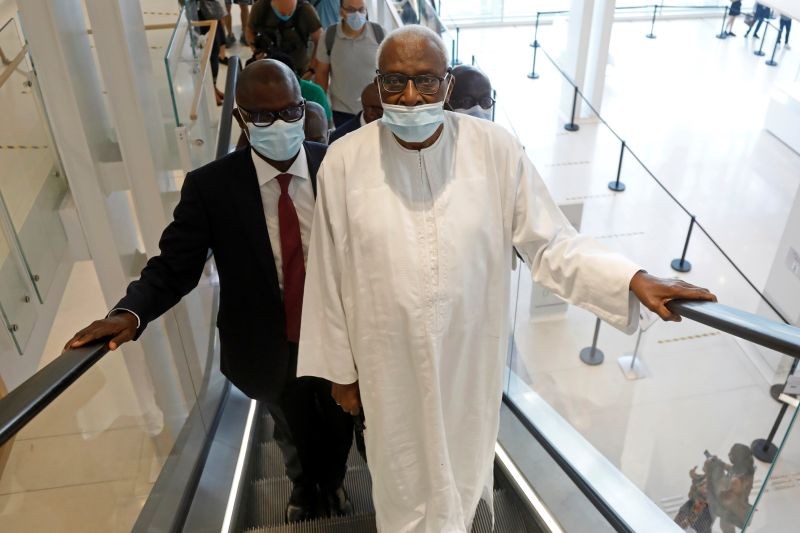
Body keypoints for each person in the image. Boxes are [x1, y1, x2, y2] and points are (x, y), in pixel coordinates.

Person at [296, 25, 717, 531]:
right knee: (400, 474)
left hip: (469, 357)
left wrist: (629, 278)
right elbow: (328, 272)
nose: (410, 97)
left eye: (426, 82)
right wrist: (341, 372)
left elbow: (550, 242)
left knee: (464, 467)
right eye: (395, 82)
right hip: (389, 360)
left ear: (447, 85)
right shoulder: (344, 161)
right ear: (378, 83)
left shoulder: (494, 150)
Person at [64, 60, 354, 523]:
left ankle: (334, 481)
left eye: (289, 110)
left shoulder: (339, 166)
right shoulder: (212, 187)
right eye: (262, 116)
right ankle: (303, 486)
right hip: (267, 345)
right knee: (290, 425)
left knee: (340, 422)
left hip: (340, 337)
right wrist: (129, 313)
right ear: (240, 119)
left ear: (304, 108)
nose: (279, 124)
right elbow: (174, 267)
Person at [314, 0, 385, 127]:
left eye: (361, 10)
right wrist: (323, 109)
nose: (357, 14)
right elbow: (321, 75)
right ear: (341, 11)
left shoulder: (379, 33)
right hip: (341, 111)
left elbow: (389, 70)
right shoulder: (329, 36)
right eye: (351, 10)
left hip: (375, 109)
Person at [247, 0, 322, 77]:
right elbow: (249, 31)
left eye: (290, 12)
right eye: (282, 13)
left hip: (298, 67)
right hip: (268, 64)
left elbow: (320, 40)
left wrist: (311, 70)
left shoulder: (306, 10)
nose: (286, 16)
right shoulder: (261, 8)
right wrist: (256, 49)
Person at [268, 51, 333, 124]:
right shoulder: (263, 92)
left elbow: (326, 124)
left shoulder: (314, 92)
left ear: (293, 74)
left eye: (280, 79)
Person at [705, 444, 756, 533]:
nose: (729, 455)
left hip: (734, 506)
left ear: (737, 458)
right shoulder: (741, 468)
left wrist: (717, 471)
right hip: (731, 503)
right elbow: (731, 469)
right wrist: (721, 463)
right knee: (725, 525)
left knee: (726, 525)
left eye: (732, 454)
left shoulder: (742, 478)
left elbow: (727, 488)